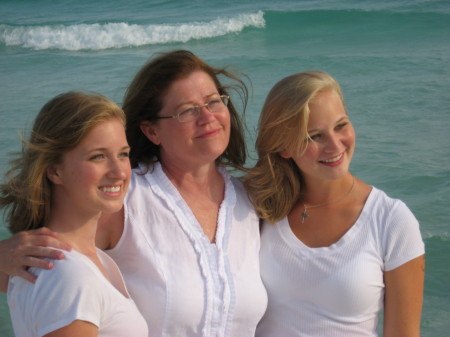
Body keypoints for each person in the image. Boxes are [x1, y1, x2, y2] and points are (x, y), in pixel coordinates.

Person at [0, 50, 268, 337]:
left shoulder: (251, 202)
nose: (207, 117)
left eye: (213, 101)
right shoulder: (121, 199)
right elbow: (48, 274)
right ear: (152, 132)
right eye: (187, 110)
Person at [243, 70, 425, 337]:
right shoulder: (256, 209)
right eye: (314, 136)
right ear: (284, 147)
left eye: (341, 125)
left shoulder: (391, 220)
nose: (335, 145)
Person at [0, 92, 148, 336]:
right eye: (98, 156)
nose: (119, 171)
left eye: (123, 154)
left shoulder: (53, 262)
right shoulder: (69, 275)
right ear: (55, 171)